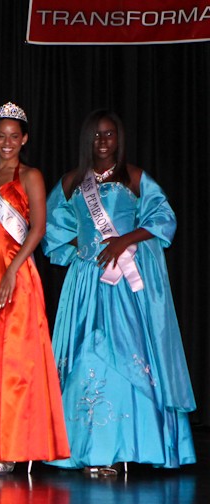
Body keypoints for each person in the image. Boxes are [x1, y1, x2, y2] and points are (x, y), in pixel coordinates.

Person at [43, 109, 195, 475]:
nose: (103, 141)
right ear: (87, 139)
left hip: (124, 284)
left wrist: (124, 240)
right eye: (97, 134)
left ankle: (128, 446)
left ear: (119, 138)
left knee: (127, 354)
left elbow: (163, 218)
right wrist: (84, 246)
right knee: (85, 354)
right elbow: (51, 229)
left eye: (109, 134)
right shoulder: (72, 181)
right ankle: (87, 450)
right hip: (86, 284)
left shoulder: (134, 177)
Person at [0, 102, 70, 475]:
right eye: (1, 136)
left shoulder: (31, 176)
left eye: (14, 136)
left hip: (19, 274)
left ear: (24, 139)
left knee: (18, 361)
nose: (7, 142)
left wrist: (10, 266)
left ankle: (15, 447)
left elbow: (38, 228)